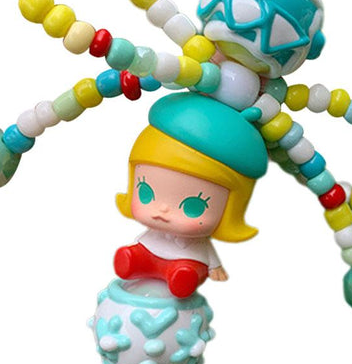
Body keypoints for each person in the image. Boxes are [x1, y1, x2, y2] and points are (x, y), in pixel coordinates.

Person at [113, 92, 268, 297]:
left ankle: (182, 277)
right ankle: (134, 261)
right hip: (150, 249)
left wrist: (214, 267)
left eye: (193, 207)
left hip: (186, 258)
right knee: (138, 255)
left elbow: (209, 254)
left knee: (187, 269)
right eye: (145, 194)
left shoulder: (197, 243)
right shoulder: (152, 234)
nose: (163, 210)